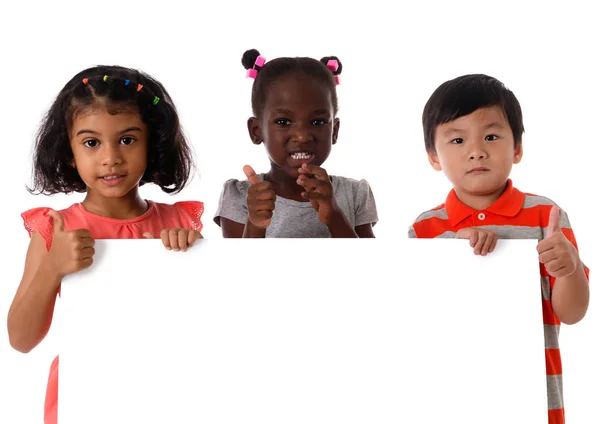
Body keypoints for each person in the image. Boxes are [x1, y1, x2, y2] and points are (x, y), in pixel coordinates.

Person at [7, 65, 204, 424]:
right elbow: (21, 339)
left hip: (165, 394)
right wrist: (51, 268)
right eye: (91, 142)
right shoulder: (55, 227)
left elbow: (206, 326)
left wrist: (192, 253)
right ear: (69, 150)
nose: (110, 157)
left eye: (127, 139)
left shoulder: (180, 223)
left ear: (153, 142)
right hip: (83, 396)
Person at [409, 73, 590, 424]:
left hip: (533, 399)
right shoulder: (424, 229)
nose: (476, 150)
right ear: (433, 156)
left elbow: (572, 313)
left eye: (491, 136)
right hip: (448, 398)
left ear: (517, 148)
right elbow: (417, 323)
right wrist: (451, 254)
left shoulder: (546, 216)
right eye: (457, 139)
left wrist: (568, 269)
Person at [214, 49, 378, 238]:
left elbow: (371, 263)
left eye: (317, 122)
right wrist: (255, 224)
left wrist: (334, 216)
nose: (302, 136)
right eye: (283, 122)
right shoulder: (241, 196)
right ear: (256, 131)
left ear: (334, 130)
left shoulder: (354, 194)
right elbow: (232, 266)